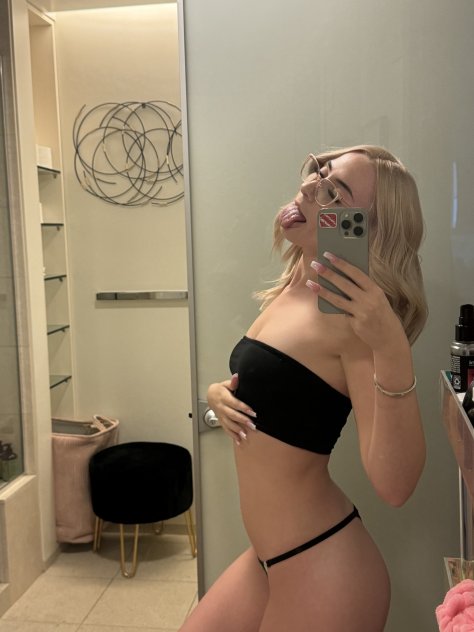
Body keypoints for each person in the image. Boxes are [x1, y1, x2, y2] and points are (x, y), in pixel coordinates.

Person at [180, 145, 428, 632]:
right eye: (320, 172)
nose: (312, 186)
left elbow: (395, 486)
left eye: (336, 192)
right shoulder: (296, 284)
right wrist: (218, 394)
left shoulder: (353, 322)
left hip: (325, 567)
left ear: (366, 230)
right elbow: (286, 388)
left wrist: (391, 347)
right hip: (267, 559)